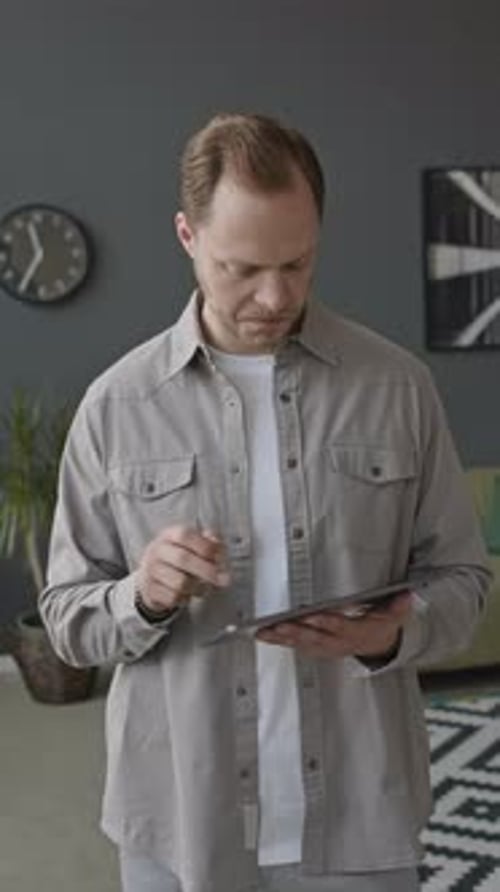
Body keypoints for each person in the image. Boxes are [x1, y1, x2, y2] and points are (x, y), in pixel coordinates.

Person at [39, 113, 490, 892]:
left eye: (298, 262)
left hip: (362, 815)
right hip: (181, 821)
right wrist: (141, 596)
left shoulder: (397, 387)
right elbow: (67, 621)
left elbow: (464, 581)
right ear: (187, 235)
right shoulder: (117, 404)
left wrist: (391, 635)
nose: (275, 294)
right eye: (241, 267)